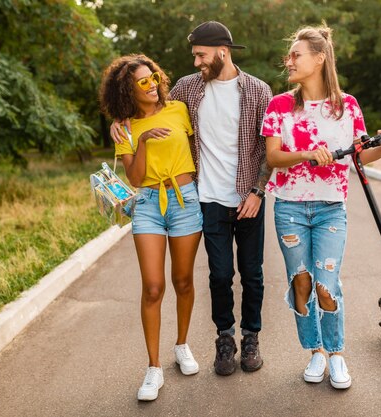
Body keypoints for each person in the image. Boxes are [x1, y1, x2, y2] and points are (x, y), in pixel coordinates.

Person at [111, 21, 273, 376]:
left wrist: (258, 191)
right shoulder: (187, 89)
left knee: (253, 275)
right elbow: (147, 108)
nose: (197, 61)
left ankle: (251, 338)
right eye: (195, 56)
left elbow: (268, 148)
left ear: (222, 51)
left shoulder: (259, 90)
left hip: (249, 197)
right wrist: (120, 119)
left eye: (201, 55)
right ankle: (225, 339)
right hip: (207, 198)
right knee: (219, 275)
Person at [261, 25, 381, 389]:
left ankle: (336, 353)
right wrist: (308, 153)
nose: (288, 60)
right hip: (289, 207)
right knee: (302, 282)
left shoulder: (347, 106)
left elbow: (358, 155)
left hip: (330, 209)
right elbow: (273, 156)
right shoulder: (280, 106)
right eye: (289, 55)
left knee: (326, 284)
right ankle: (316, 352)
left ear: (320, 58)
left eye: (296, 54)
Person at [100, 54, 203, 401]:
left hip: (186, 199)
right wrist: (141, 141)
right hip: (147, 204)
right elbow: (135, 177)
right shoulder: (124, 127)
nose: (152, 85)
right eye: (142, 82)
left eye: (153, 77)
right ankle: (153, 367)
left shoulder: (178, 109)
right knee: (154, 287)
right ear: (129, 90)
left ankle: (182, 345)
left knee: (183, 280)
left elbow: (198, 147)